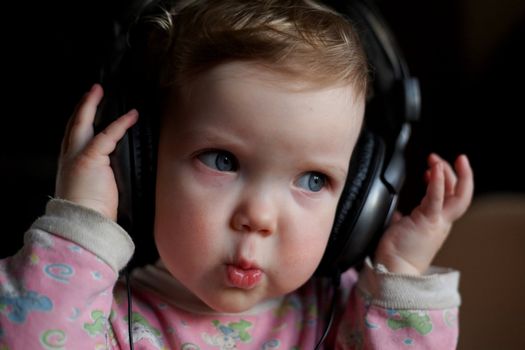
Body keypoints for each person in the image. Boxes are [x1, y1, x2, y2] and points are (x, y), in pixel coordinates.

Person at [0, 0, 473, 349]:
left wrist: (403, 269)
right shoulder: (96, 312)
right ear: (136, 166)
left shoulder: (344, 318)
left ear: (359, 201)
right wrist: (81, 225)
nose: (259, 217)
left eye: (313, 180)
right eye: (223, 161)